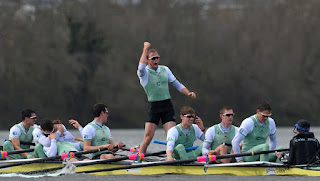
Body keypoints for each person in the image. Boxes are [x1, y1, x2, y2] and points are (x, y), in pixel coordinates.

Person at [137, 42, 196, 154]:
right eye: (153, 58)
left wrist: (188, 92)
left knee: (171, 136)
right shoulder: (144, 74)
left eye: (157, 58)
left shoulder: (165, 69)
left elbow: (176, 83)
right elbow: (140, 68)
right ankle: (140, 159)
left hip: (167, 106)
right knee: (148, 137)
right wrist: (145, 49)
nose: (156, 60)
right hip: (154, 107)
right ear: (148, 60)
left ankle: (174, 158)